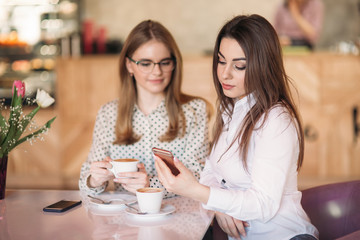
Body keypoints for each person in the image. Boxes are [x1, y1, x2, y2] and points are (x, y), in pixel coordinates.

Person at [155, 14, 319, 240]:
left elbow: (263, 205)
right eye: (221, 61)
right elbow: (211, 173)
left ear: (263, 66)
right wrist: (218, 205)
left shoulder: (276, 119)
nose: (224, 74)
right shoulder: (231, 109)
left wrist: (198, 192)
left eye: (239, 66)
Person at [79, 20, 210, 198]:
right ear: (129, 65)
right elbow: (86, 182)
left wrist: (150, 185)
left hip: (180, 215)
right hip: (126, 217)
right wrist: (95, 179)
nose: (156, 72)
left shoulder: (194, 110)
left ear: (174, 64)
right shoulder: (109, 113)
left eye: (164, 62)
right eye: (146, 64)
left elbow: (199, 175)